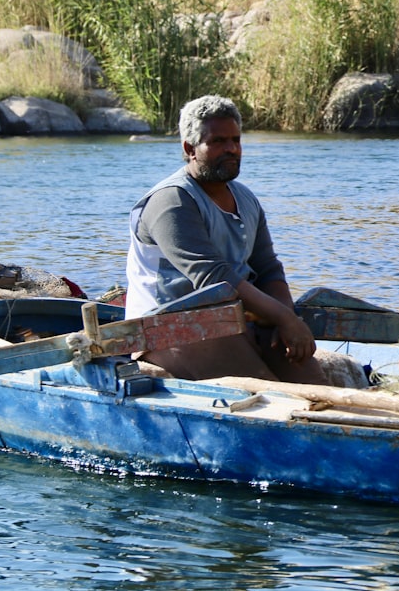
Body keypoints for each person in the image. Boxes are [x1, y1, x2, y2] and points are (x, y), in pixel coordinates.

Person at [125, 94, 329, 384]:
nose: (231, 149)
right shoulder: (171, 202)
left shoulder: (245, 198)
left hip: (232, 321)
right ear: (190, 149)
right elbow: (213, 277)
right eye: (218, 142)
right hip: (168, 328)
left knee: (311, 381)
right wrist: (286, 319)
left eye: (236, 140)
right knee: (264, 392)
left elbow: (268, 267)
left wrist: (281, 317)